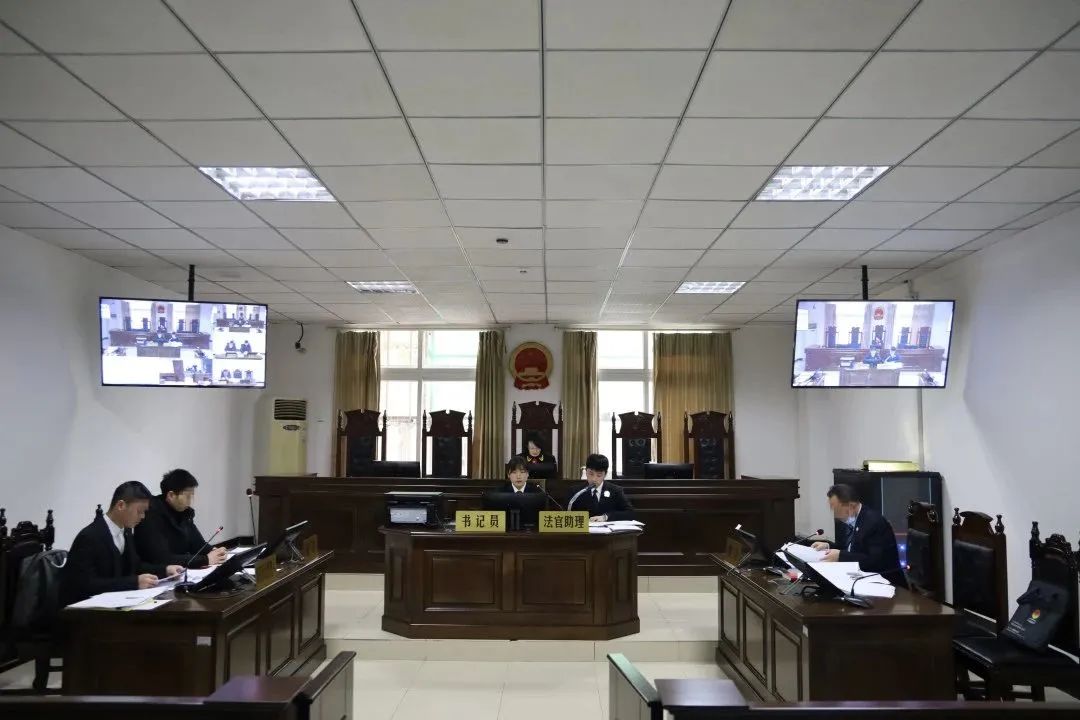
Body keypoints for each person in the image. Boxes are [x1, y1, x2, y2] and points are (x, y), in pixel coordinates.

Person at [61, 482, 183, 606]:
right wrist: (133, 583)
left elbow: (136, 566)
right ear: (121, 505)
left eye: (144, 512)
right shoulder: (89, 537)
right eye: (139, 511)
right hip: (83, 611)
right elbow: (85, 585)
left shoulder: (126, 532)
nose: (143, 517)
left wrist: (165, 570)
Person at [811, 484, 906, 586]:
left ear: (851, 506)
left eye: (836, 509)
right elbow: (848, 548)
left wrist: (840, 556)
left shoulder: (873, 522)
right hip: (861, 579)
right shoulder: (850, 520)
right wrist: (828, 546)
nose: (835, 515)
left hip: (887, 584)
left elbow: (874, 561)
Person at [135, 469, 227, 569]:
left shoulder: (185, 513)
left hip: (179, 571)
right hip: (156, 574)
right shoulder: (150, 514)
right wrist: (205, 560)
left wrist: (214, 551)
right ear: (171, 495)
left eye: (192, 495)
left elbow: (197, 544)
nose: (191, 501)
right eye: (188, 496)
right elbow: (161, 558)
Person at [569, 453, 634, 522]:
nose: (594, 479)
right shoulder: (575, 491)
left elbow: (630, 513)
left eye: (599, 475)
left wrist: (606, 517)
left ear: (605, 474)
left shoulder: (615, 491)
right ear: (586, 471)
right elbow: (567, 514)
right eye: (591, 474)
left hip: (607, 528)